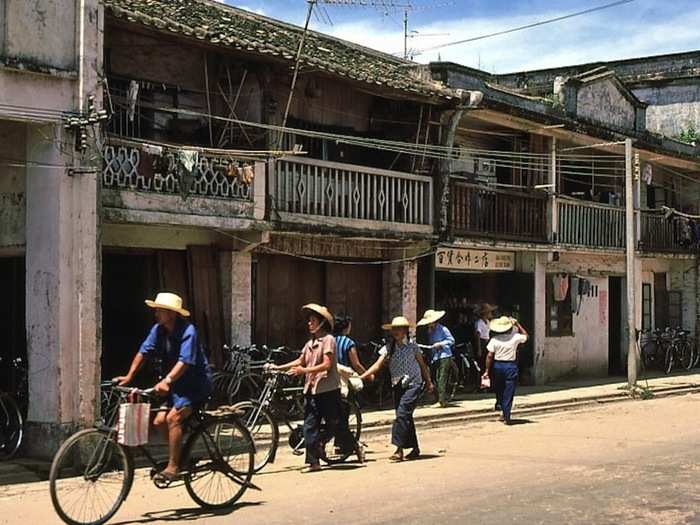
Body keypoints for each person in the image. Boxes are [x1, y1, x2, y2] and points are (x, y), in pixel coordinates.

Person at [115, 292, 212, 483]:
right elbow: (143, 352)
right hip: (175, 385)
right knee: (159, 422)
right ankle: (179, 454)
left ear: (172, 313)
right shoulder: (158, 330)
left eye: (160, 310)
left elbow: (184, 362)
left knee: (173, 418)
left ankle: (174, 467)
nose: (156, 314)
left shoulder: (188, 331)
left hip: (195, 385)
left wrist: (167, 379)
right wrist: (129, 375)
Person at [271, 304, 357, 473]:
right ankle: (314, 462)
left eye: (312, 321)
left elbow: (326, 365)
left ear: (321, 323)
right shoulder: (309, 343)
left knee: (336, 423)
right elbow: (300, 361)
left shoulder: (328, 340)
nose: (309, 324)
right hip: (312, 390)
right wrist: (278, 368)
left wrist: (304, 371)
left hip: (328, 389)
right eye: (309, 321)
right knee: (310, 426)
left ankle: (352, 445)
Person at [361, 316, 433, 462]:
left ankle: (398, 449)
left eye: (399, 329)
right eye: (394, 329)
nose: (396, 332)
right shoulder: (389, 347)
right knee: (405, 416)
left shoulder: (413, 346)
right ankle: (414, 447)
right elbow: (377, 365)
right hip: (398, 385)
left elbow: (422, 365)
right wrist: (363, 376)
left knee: (402, 414)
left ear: (405, 331)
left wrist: (429, 382)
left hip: (414, 384)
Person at [482, 316, 529, 425]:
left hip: (498, 365)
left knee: (500, 389)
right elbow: (526, 336)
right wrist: (518, 324)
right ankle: (506, 414)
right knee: (509, 390)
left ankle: (501, 407)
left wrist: (486, 371)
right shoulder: (515, 337)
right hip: (510, 366)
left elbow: (489, 356)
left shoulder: (494, 340)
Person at [417, 309, 455, 408]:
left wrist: (441, 344)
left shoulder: (443, 329)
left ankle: (442, 401)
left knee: (442, 378)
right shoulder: (429, 331)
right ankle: (437, 398)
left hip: (444, 356)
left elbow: (451, 340)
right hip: (435, 357)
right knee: (435, 377)